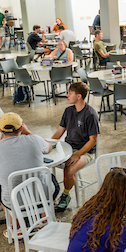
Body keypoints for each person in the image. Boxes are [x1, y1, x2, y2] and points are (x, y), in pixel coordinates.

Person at [0, 112, 52, 214]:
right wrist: (28, 132)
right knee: (50, 178)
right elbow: (49, 147)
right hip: (42, 197)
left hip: (13, 203)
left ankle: (15, 221)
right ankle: (45, 217)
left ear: (0, 130)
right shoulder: (34, 139)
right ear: (21, 128)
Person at [51, 82, 99, 212]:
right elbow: (60, 132)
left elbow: (93, 141)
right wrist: (49, 145)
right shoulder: (68, 111)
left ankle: (65, 195)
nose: (67, 95)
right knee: (48, 162)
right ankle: (52, 194)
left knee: (69, 169)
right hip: (68, 148)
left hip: (85, 152)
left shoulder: (90, 114)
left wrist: (77, 155)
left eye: (70, 93)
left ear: (79, 96)